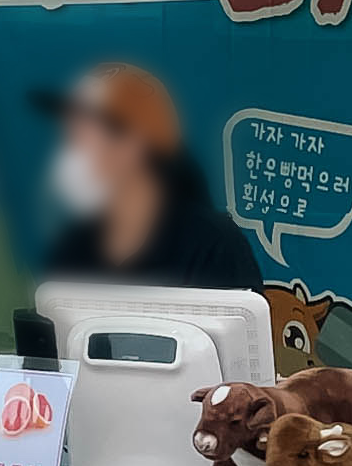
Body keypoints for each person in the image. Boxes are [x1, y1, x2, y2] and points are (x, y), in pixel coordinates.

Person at [37, 62, 263, 293]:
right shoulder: (71, 251)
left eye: (83, 140)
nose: (73, 157)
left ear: (137, 143)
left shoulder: (214, 246)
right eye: (71, 139)